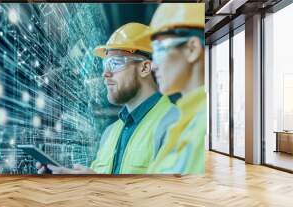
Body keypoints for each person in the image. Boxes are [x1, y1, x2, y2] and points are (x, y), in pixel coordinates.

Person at [36, 22, 179, 174]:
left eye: (115, 63)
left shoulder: (176, 123)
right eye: (105, 64)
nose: (106, 73)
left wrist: (98, 185)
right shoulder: (109, 133)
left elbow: (171, 194)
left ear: (144, 68)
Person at [139, 3, 207, 174]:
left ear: (192, 49)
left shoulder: (201, 127)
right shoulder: (183, 123)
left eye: (159, 49)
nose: (153, 66)